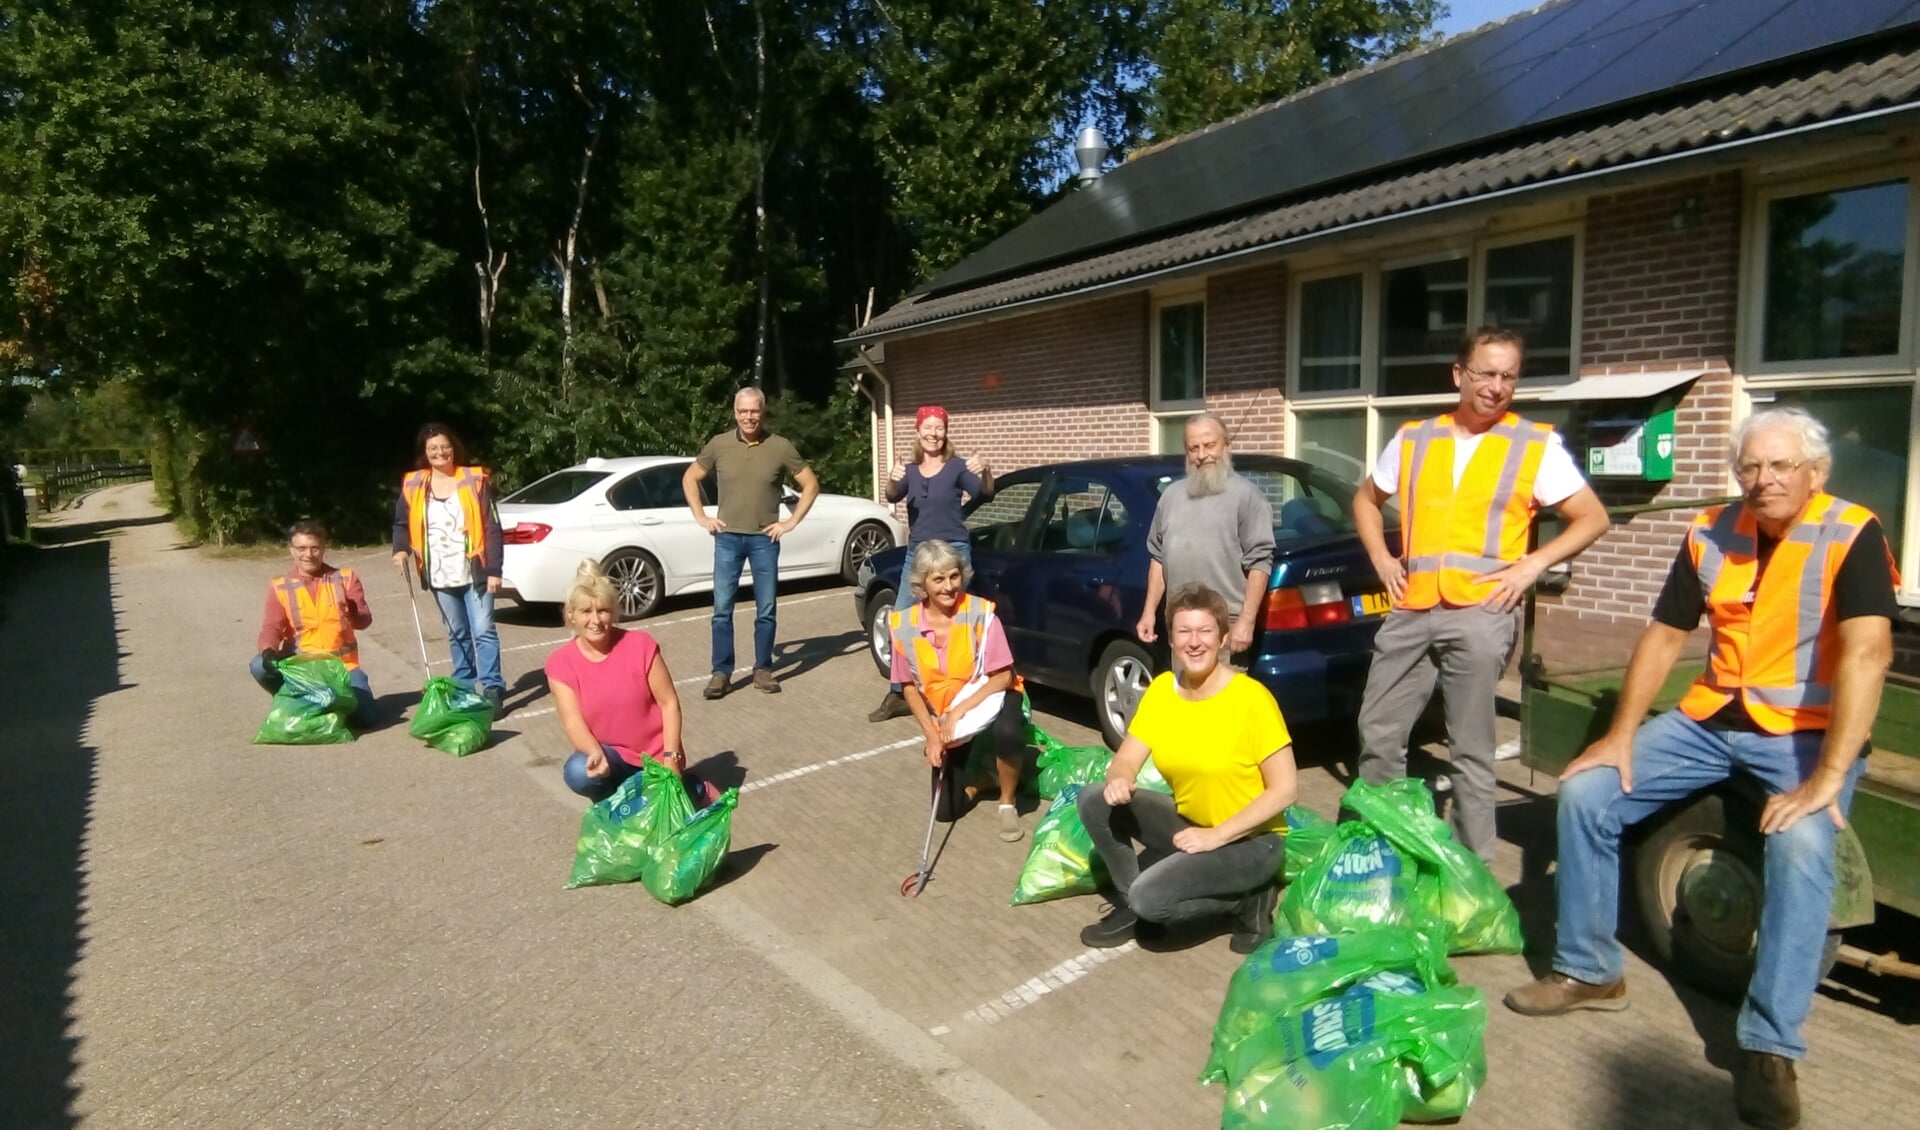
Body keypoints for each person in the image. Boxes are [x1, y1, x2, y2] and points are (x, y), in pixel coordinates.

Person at [1504, 408, 1898, 1130]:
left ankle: (1769, 1047)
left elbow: (1870, 654)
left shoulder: (1852, 531)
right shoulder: (1710, 530)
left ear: (1816, 472)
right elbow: (1664, 634)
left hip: (1805, 737)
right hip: (1710, 720)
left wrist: (1826, 780)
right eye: (1750, 467)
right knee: (1588, 790)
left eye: (1780, 466)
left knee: (1804, 844)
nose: (1763, 480)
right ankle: (1590, 971)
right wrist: (1621, 735)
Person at [1351, 327, 1610, 862]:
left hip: (1481, 612)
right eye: (1486, 373)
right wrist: (1381, 559)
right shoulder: (1415, 438)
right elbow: (1365, 499)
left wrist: (1534, 565)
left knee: (1470, 748)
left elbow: (1592, 517)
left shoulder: (1535, 444)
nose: (1497, 386)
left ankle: (1472, 874)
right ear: (1459, 375)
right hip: (1412, 605)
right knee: (1378, 732)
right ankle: (1381, 852)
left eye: (1508, 376)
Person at [1079, 583, 1298, 955]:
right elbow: (1127, 757)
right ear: (1171, 639)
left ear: (1223, 638)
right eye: (1184, 631)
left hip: (1252, 841)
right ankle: (1129, 902)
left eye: (1204, 631)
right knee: (1093, 799)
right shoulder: (1163, 690)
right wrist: (1119, 778)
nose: (1194, 642)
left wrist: (1217, 836)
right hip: (1190, 823)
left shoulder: (1251, 700)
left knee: (1152, 900)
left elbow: (1286, 790)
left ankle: (1248, 902)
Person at [682, 387, 820, 699]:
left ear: (763, 412)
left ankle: (763, 668)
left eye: (754, 411)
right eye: (743, 411)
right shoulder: (719, 445)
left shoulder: (780, 447)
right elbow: (690, 478)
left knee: (766, 608)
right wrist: (702, 516)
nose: (749, 417)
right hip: (728, 538)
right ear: (735, 413)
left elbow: (811, 484)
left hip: (764, 540)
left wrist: (790, 522)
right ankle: (721, 672)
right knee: (721, 609)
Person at [546, 561, 718, 806]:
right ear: (571, 614)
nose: (596, 620)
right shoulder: (560, 663)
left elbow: (669, 704)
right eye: (586, 611)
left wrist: (671, 756)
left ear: (614, 612)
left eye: (603, 610)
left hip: (655, 756)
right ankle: (612, 806)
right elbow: (572, 721)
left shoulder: (640, 645)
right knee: (577, 771)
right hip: (611, 758)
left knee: (660, 810)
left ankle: (694, 788)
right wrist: (594, 752)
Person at [890, 540, 1030, 843]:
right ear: (922, 583)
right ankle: (982, 781)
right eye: (938, 579)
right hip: (946, 710)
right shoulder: (903, 624)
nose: (949, 586)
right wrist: (931, 734)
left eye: (954, 576)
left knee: (1008, 732)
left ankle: (1007, 801)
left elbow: (1003, 676)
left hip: (995, 691)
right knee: (945, 811)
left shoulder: (980, 612)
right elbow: (908, 687)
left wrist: (957, 711)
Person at [870, 404, 992, 722]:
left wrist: (986, 470)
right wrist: (891, 479)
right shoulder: (909, 470)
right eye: (928, 427)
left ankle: (955, 690)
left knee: (953, 621)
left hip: (953, 551)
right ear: (918, 430)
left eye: (939, 428)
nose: (933, 433)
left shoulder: (956, 467)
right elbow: (893, 494)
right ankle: (899, 693)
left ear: (945, 432)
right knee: (900, 620)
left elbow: (986, 493)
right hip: (918, 553)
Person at [1136, 413, 1275, 656]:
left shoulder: (1247, 497)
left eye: (1210, 445)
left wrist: (1246, 621)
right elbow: (1158, 559)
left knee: (1223, 695)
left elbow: (1260, 563)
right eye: (1194, 448)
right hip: (1181, 627)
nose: (1202, 455)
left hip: (1225, 630)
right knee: (1185, 694)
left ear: (1226, 445)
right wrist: (1148, 612)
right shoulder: (1171, 496)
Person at [390, 423, 506, 713]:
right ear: (425, 453)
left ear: (454, 448)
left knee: (483, 629)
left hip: (474, 570)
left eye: (444, 447)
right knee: (456, 632)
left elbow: (492, 527)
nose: (439, 452)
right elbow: (402, 523)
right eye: (433, 448)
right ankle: (464, 686)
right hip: (439, 572)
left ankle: (492, 687)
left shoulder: (474, 480)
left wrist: (494, 569)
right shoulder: (415, 484)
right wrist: (400, 549)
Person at [253, 520, 374, 721]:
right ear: (291, 550)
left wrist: (352, 611)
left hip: (342, 667)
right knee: (258, 665)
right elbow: (271, 626)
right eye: (301, 548)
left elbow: (364, 621)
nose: (308, 555)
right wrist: (268, 650)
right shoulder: (280, 586)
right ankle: (295, 697)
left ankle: (315, 703)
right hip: (303, 667)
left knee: (367, 718)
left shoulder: (346, 578)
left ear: (324, 548)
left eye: (314, 548)